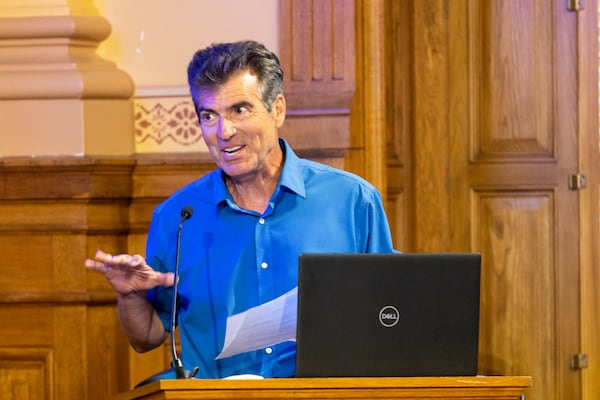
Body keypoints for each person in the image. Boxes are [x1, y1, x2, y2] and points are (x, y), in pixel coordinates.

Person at [85, 40, 395, 379]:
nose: (224, 132)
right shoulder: (177, 217)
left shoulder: (352, 200)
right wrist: (130, 297)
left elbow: (388, 316)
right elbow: (146, 337)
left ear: (277, 109)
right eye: (209, 116)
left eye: (239, 110)